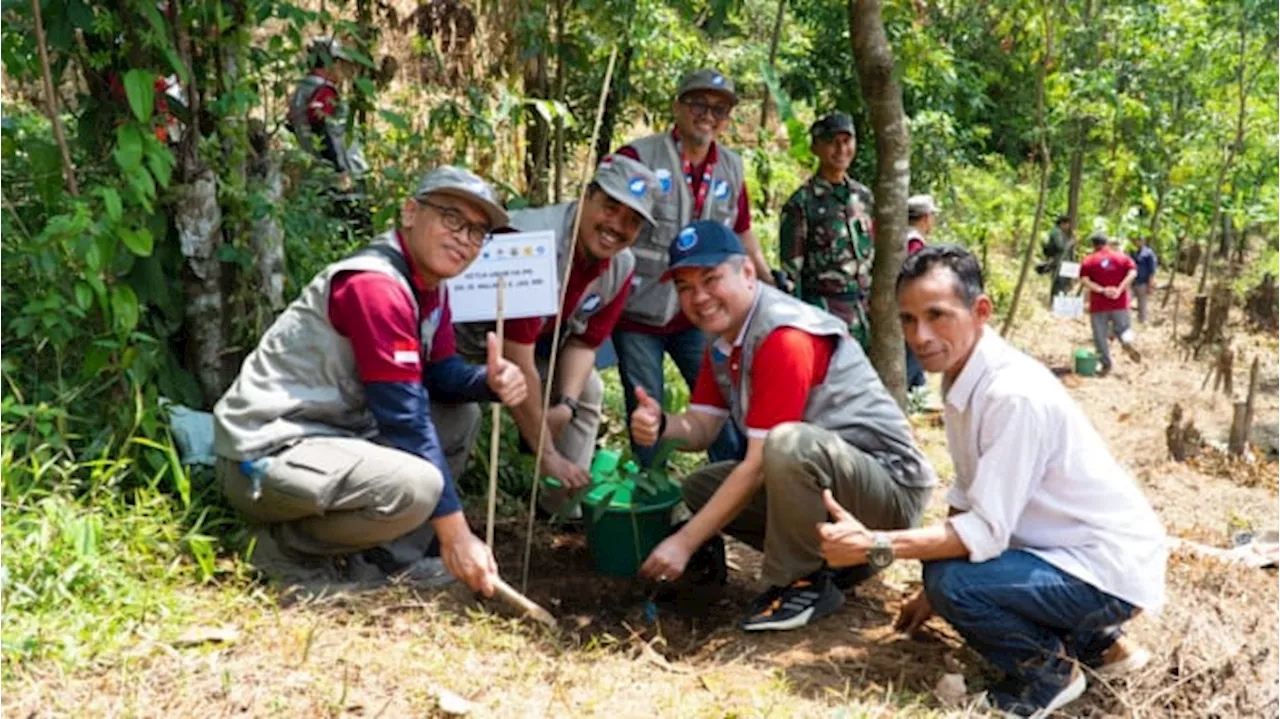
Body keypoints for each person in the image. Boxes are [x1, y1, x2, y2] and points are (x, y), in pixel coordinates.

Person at [818, 244, 1166, 718]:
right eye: (908, 319)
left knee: (952, 578)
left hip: (1107, 572)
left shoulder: (1011, 395)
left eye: (937, 315)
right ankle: (1099, 646)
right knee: (941, 574)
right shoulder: (967, 373)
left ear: (980, 311)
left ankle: (1048, 673)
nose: (920, 336)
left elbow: (983, 532)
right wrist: (929, 595)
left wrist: (875, 545)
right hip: (1081, 555)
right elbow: (966, 495)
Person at [213, 167, 528, 596]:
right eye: (452, 218)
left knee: (460, 417)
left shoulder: (429, 288)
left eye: (477, 231)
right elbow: (404, 421)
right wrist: (457, 535)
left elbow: (439, 374)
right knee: (417, 485)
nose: (464, 238)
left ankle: (385, 563)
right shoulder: (376, 287)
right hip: (269, 451)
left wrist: (488, 381)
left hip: (331, 438)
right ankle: (283, 554)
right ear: (411, 212)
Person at [629, 220, 936, 632]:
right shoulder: (725, 340)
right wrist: (662, 424)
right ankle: (835, 566)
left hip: (891, 491)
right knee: (700, 486)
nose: (698, 297)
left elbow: (757, 463)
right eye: (685, 287)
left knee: (786, 444)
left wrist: (684, 542)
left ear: (748, 273)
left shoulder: (783, 337)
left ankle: (800, 582)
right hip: (837, 482)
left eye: (711, 279)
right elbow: (702, 426)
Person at [449, 155, 659, 511]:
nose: (617, 226)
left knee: (588, 387)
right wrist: (545, 451)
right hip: (462, 345)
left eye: (632, 220)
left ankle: (559, 508)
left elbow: (584, 342)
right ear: (586, 196)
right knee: (458, 418)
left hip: (534, 345)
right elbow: (517, 358)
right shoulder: (530, 244)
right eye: (610, 207)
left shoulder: (621, 266)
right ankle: (443, 513)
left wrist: (565, 405)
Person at [611, 68, 769, 467]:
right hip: (639, 310)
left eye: (719, 108)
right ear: (677, 106)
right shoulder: (638, 157)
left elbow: (742, 230)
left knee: (723, 404)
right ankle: (653, 500)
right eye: (698, 104)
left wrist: (768, 280)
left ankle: (728, 497)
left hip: (702, 312)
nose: (708, 115)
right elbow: (604, 217)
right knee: (647, 409)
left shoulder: (731, 168)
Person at [778, 111, 876, 351]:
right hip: (825, 314)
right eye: (832, 142)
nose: (841, 149)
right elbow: (792, 273)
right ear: (816, 148)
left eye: (846, 141)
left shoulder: (863, 197)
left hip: (866, 314)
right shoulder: (802, 202)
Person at [287, 36, 372, 233]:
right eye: (339, 64)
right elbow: (319, 124)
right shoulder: (323, 91)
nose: (341, 71)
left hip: (316, 173)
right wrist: (339, 168)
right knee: (357, 230)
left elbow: (294, 123)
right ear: (330, 62)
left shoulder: (301, 91)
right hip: (343, 172)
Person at [1079, 231, 1142, 375]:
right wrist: (1120, 289)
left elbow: (1084, 280)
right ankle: (1127, 342)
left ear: (1093, 245)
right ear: (1107, 243)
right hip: (1119, 303)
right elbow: (1133, 273)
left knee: (1100, 335)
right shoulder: (1121, 257)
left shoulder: (1089, 260)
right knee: (1124, 328)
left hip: (1099, 304)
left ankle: (1106, 364)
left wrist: (1102, 290)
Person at [1038, 214, 1075, 299]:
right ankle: (1055, 302)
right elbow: (1060, 246)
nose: (1068, 227)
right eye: (1067, 224)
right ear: (1062, 223)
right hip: (1059, 261)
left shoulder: (1060, 232)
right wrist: (1071, 242)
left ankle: (1059, 301)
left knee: (1062, 283)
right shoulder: (1056, 232)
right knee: (1059, 283)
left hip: (1062, 261)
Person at [1130, 236, 1158, 323]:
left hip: (1143, 283)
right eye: (1135, 240)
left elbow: (1152, 271)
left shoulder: (1148, 253)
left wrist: (1150, 285)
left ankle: (1141, 322)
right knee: (1126, 301)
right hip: (1131, 283)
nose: (1137, 242)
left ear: (1143, 241)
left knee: (1142, 305)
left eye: (1139, 240)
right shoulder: (1131, 252)